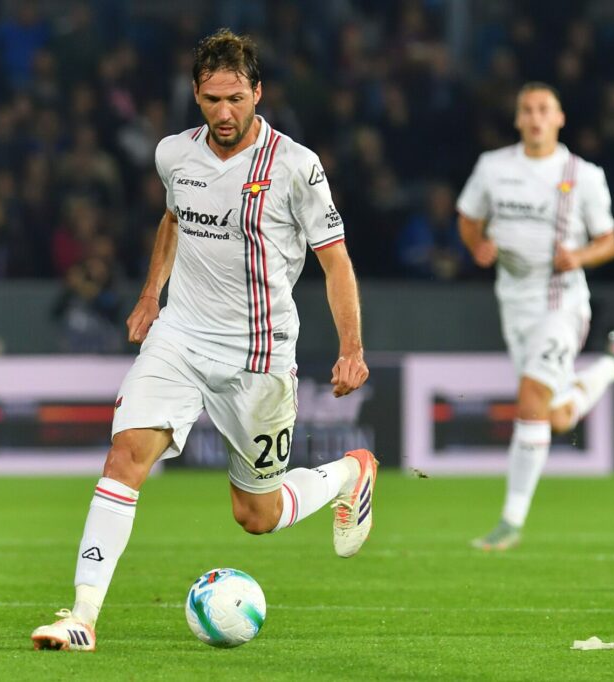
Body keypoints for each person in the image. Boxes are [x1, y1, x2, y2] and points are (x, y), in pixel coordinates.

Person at [31, 29, 376, 652]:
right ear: (195, 93)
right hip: (181, 338)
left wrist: (351, 348)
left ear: (258, 93)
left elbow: (336, 262)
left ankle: (352, 472)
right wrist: (150, 294)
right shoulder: (174, 154)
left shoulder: (296, 167)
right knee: (125, 456)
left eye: (236, 98)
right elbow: (173, 219)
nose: (224, 112)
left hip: (260, 356)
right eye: (213, 99)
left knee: (256, 515)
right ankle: (81, 616)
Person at [456, 82, 614, 551]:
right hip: (514, 305)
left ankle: (509, 523)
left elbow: (608, 242)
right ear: (517, 119)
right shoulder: (493, 167)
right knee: (556, 417)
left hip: (561, 304)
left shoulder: (582, 175)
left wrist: (579, 257)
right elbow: (468, 218)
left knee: (530, 400)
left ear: (559, 118)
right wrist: (477, 245)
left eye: (543, 110)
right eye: (527, 110)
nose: (535, 118)